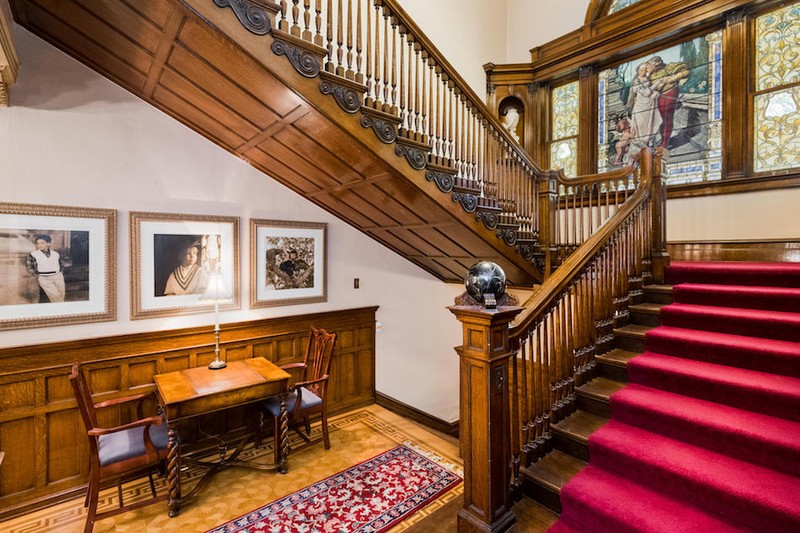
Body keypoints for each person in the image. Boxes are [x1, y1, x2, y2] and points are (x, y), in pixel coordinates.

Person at [647, 55, 691, 149]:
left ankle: (664, 143)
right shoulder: (651, 74)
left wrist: (672, 78)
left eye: (651, 65)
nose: (649, 67)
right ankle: (663, 140)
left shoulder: (669, 67)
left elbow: (686, 70)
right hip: (659, 97)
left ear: (658, 63)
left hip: (670, 94)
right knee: (661, 119)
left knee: (667, 118)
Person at [626, 61, 662, 148]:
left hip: (650, 104)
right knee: (642, 127)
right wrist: (657, 83)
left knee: (651, 123)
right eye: (642, 70)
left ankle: (649, 141)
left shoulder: (646, 78)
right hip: (641, 107)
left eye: (645, 70)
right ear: (638, 70)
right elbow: (646, 92)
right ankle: (643, 143)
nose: (644, 72)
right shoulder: (636, 82)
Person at [26, 234, 66, 303]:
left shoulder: (55, 254)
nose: (39, 245)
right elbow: (30, 267)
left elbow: (61, 265)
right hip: (44, 278)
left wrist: (60, 273)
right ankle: (62, 311)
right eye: (38, 243)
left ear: (48, 244)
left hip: (57, 276)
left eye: (42, 243)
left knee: (61, 295)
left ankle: (58, 311)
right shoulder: (33, 254)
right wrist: (38, 276)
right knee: (56, 296)